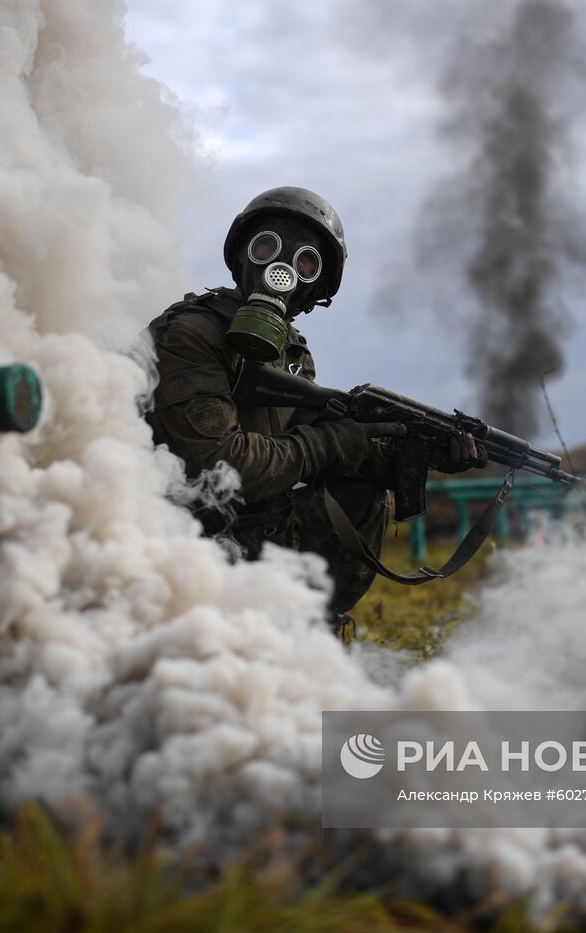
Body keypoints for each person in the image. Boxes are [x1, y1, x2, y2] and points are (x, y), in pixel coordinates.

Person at [144, 187, 482, 639]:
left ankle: (310, 635)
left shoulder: (292, 356)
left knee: (362, 488)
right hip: (175, 538)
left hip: (242, 530)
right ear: (242, 255)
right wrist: (329, 444)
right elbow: (219, 466)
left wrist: (419, 453)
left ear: (316, 288)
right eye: (266, 247)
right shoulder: (191, 335)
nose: (280, 268)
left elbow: (323, 446)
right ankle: (240, 635)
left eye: (306, 262)